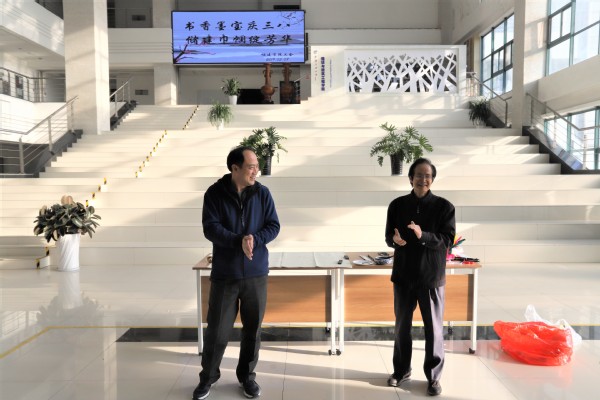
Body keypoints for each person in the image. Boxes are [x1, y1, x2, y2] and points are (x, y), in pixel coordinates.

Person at [193, 146, 280, 400]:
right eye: (251, 167)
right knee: (217, 332)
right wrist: (237, 241)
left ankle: (247, 377)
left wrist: (254, 239)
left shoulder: (262, 193)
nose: (256, 171)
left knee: (253, 331)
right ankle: (208, 378)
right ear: (235, 168)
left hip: (256, 274)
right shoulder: (214, 193)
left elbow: (273, 225)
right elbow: (210, 228)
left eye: (257, 167)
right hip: (225, 274)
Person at [384, 158, 455, 397]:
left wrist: (422, 234)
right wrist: (394, 240)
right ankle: (401, 370)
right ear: (410, 178)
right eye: (418, 175)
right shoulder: (397, 205)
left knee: (433, 329)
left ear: (432, 179)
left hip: (430, 278)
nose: (423, 179)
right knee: (401, 328)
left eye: (427, 176)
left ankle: (433, 378)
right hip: (403, 276)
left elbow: (447, 241)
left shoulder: (444, 207)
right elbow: (388, 236)